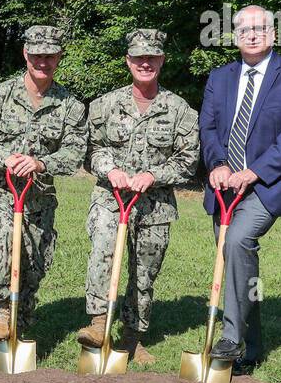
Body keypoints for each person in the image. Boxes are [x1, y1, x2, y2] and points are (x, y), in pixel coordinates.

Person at [200, 4, 281, 371]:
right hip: (225, 186)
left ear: (274, 33)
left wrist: (253, 172)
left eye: (259, 28)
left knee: (238, 241)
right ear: (234, 36)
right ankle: (249, 351)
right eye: (244, 29)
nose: (251, 35)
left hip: (270, 183)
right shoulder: (219, 77)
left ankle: (230, 337)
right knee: (235, 259)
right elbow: (208, 127)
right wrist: (218, 164)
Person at [77, 29, 200, 364]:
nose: (145, 63)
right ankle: (99, 325)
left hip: (155, 207)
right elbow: (92, 149)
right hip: (111, 199)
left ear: (162, 61)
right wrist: (110, 170)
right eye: (139, 58)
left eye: (152, 58)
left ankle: (133, 338)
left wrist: (154, 175)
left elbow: (188, 160)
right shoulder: (104, 105)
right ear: (128, 61)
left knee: (145, 272)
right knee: (103, 254)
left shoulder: (180, 110)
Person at [0, 25, 87, 339]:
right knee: (4, 233)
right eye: (36, 55)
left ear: (59, 57)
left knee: (33, 265)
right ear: (25, 54)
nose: (42, 62)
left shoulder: (70, 106)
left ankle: (19, 325)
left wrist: (41, 163)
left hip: (38, 197)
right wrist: (5, 157)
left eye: (49, 56)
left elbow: (75, 152)